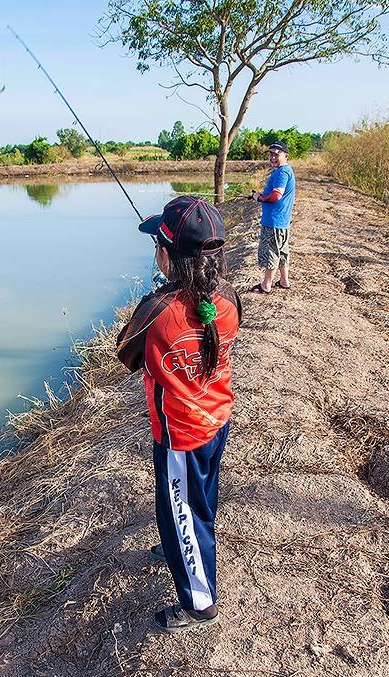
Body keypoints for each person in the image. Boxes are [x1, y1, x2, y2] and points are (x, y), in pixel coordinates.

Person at [116, 195, 241, 634]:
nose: (155, 251)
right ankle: (178, 543)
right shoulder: (228, 298)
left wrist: (158, 295)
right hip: (216, 417)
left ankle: (200, 604)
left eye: (157, 245)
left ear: (167, 255)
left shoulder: (156, 312)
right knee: (195, 500)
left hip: (179, 435)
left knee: (182, 511)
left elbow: (125, 355)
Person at [250, 141, 296, 294]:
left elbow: (277, 195)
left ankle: (266, 285)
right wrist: (260, 196)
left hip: (274, 221)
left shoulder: (282, 173)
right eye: (271, 154)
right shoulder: (285, 170)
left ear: (286, 156)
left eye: (277, 154)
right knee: (282, 252)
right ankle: (284, 281)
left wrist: (260, 198)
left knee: (271, 252)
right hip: (281, 221)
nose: (273, 157)